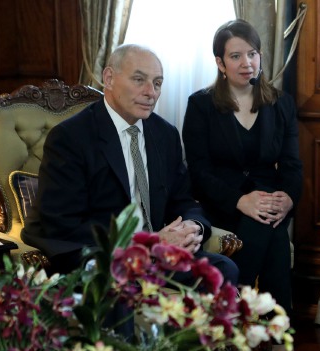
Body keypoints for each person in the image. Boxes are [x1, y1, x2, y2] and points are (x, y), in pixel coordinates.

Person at [22, 44, 239, 287]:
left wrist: (193, 227)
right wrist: (145, 241)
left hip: (157, 255)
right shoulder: (71, 137)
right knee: (121, 285)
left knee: (224, 270)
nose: (151, 92)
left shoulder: (164, 134)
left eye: (157, 83)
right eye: (139, 80)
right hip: (103, 253)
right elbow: (63, 222)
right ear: (109, 78)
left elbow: (183, 200)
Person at [182, 19, 303, 351]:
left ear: (260, 57)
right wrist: (240, 200)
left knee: (268, 225)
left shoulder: (281, 103)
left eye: (252, 54)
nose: (246, 62)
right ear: (220, 62)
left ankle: (236, 330)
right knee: (269, 234)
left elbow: (293, 164)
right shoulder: (201, 105)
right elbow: (198, 171)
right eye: (236, 56)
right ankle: (280, 340)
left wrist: (288, 200)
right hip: (222, 203)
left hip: (269, 205)